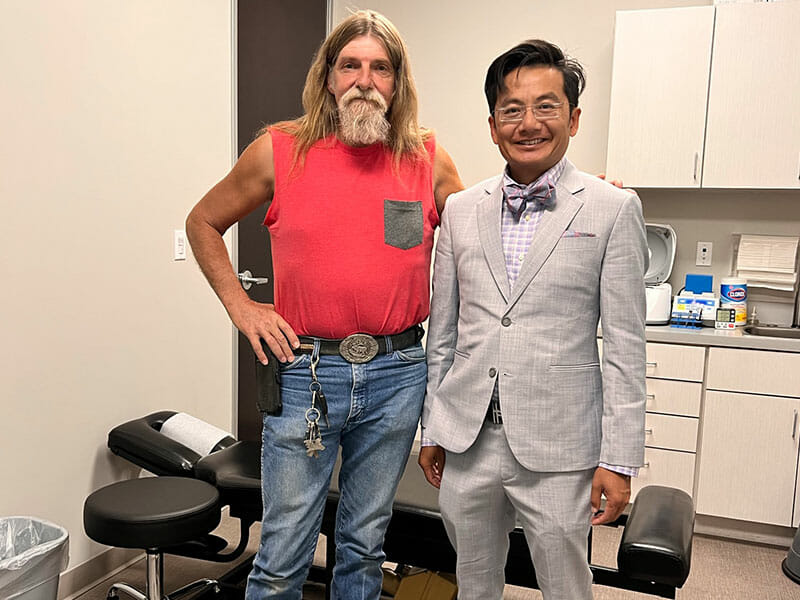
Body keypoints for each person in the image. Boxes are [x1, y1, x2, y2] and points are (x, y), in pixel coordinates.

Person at [185, 10, 462, 600]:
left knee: (364, 545)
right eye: (351, 65)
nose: (365, 80)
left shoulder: (427, 158)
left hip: (398, 373)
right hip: (306, 372)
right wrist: (244, 307)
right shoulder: (279, 150)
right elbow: (203, 221)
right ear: (329, 76)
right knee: (284, 550)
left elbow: (490, 221)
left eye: (380, 68)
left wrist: (577, 192)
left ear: (398, 81)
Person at [418, 40, 647, 600]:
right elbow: (443, 335)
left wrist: (619, 459)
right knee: (472, 580)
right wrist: (433, 426)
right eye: (512, 109)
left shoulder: (611, 208)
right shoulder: (459, 209)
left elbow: (624, 348)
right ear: (492, 125)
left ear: (572, 117)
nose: (529, 123)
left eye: (546, 106)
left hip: (560, 444)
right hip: (467, 437)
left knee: (565, 584)